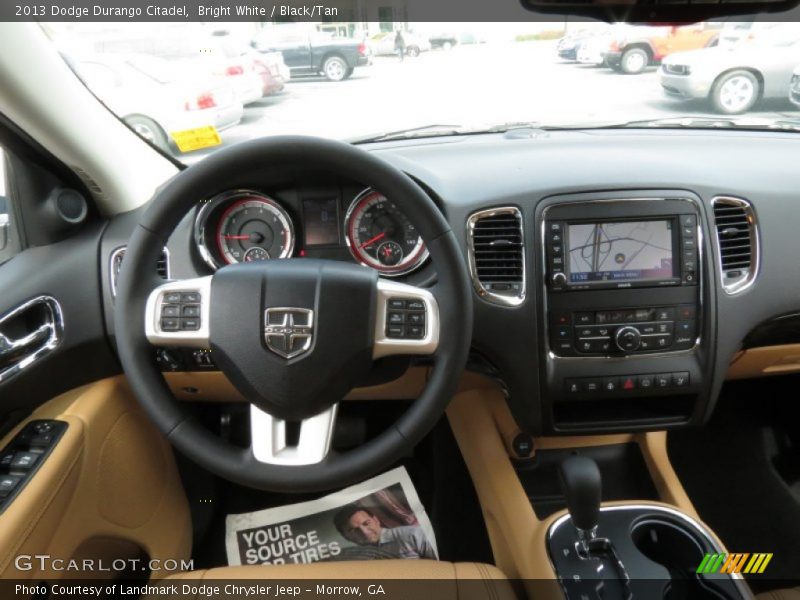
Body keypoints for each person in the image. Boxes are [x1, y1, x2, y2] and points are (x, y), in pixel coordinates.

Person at [333, 505, 436, 559]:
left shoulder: (411, 535)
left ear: (376, 520)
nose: (364, 532)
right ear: (346, 537)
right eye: (354, 530)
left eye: (366, 523)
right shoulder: (357, 559)